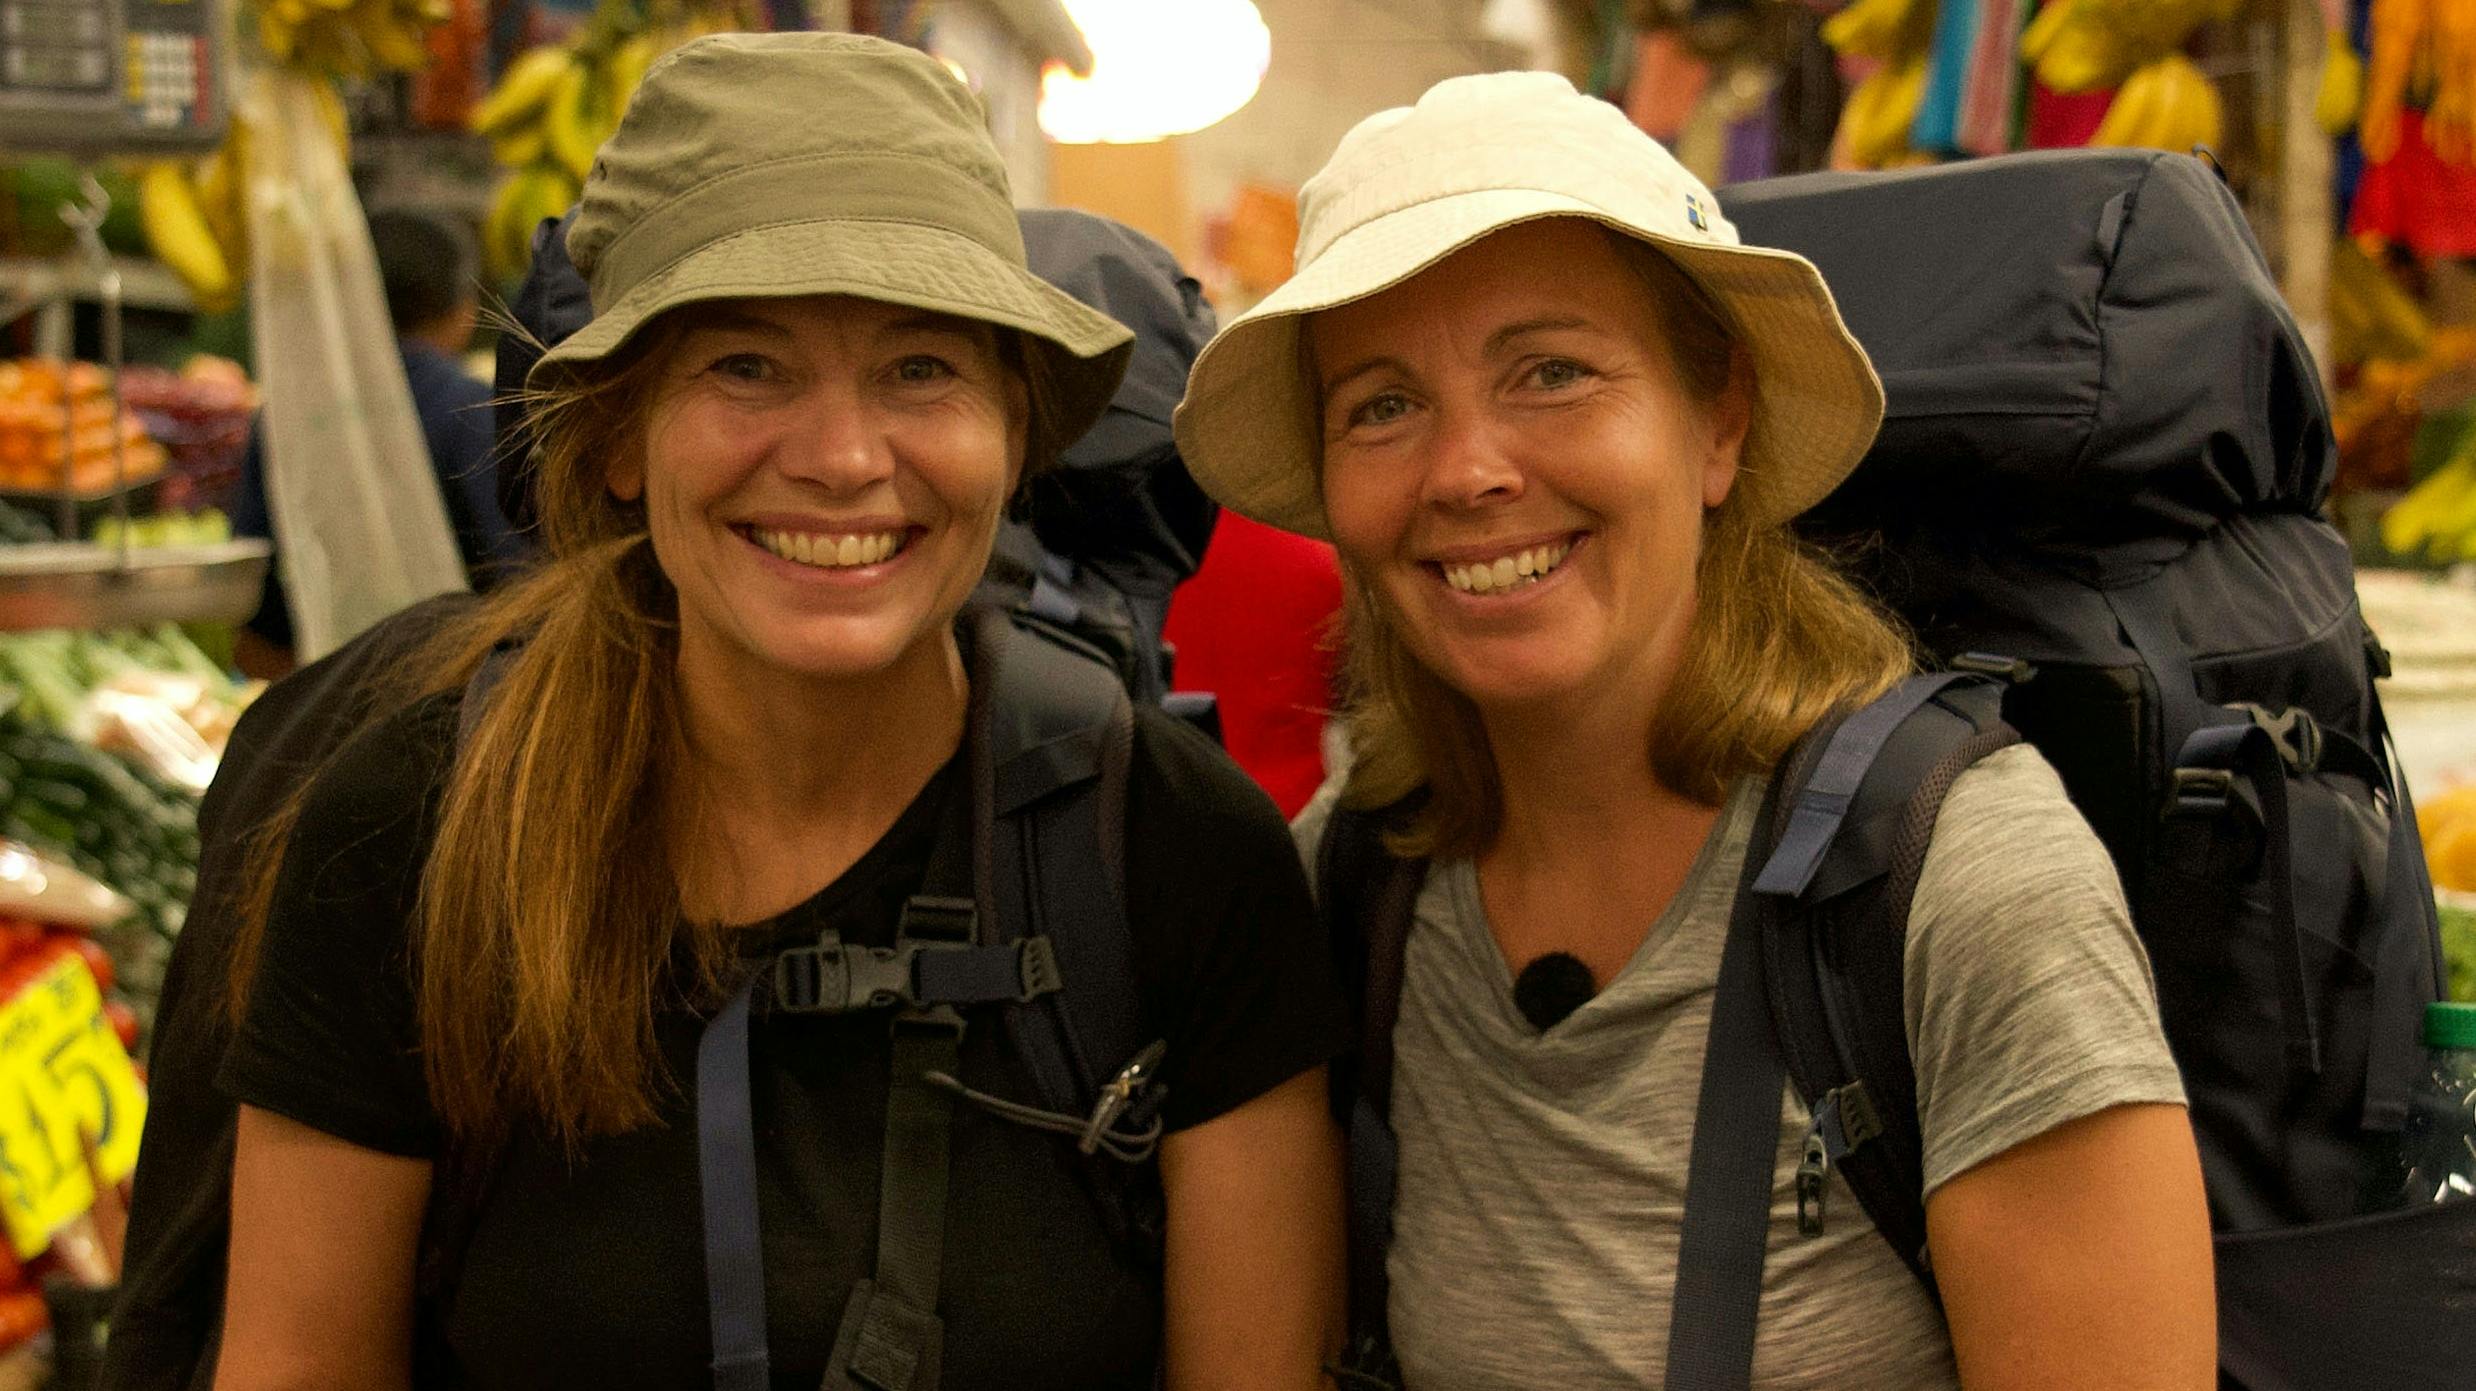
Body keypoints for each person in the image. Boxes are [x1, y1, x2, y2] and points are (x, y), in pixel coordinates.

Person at [210, 33, 1344, 1391]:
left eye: (920, 368)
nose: (843, 458)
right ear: (618, 437)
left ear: (1014, 430)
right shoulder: (414, 833)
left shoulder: (1175, 850)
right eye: (746, 366)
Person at [1171, 71, 2215, 1388]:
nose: (1467, 470)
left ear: (1718, 422)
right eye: (1381, 404)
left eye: (1553, 373)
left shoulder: (1954, 886)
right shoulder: (1361, 873)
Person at [228, 208, 527, 674]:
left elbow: (254, 612)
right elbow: (523, 586)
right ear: (463, 310)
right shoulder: (473, 410)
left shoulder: (286, 417)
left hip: (319, 689)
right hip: (461, 692)